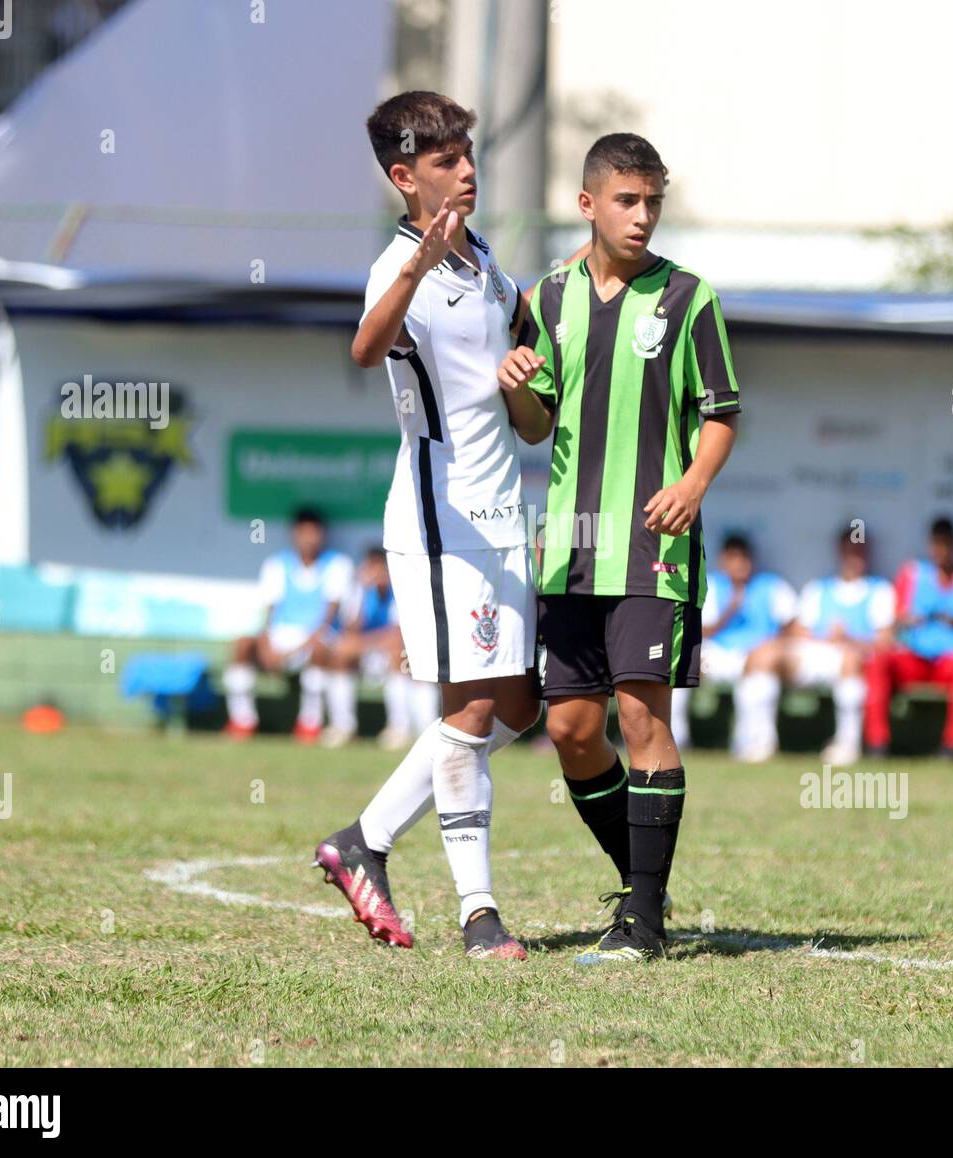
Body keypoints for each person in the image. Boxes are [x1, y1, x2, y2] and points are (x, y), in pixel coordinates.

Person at [313, 92, 586, 960]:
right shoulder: (401, 263)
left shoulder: (486, 262)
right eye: (445, 159)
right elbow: (363, 350)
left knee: (517, 703)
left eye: (468, 152)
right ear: (405, 176)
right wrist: (412, 269)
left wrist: (524, 375)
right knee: (470, 705)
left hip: (502, 515)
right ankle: (480, 916)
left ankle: (364, 839)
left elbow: (527, 412)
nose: (467, 169)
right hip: (442, 518)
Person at [501, 132, 740, 964]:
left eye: (653, 203)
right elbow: (535, 425)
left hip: (650, 545)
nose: (642, 218)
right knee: (569, 728)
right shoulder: (547, 296)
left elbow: (722, 413)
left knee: (640, 716)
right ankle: (646, 883)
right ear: (588, 203)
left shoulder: (688, 299)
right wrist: (516, 386)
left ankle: (639, 923)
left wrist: (694, 485)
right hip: (567, 547)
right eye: (627, 201)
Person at [863, 516, 953, 758]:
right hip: (915, 658)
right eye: (937, 543)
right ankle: (878, 744)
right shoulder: (913, 574)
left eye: (946, 543)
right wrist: (907, 620)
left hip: (952, 661)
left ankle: (952, 748)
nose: (941, 550)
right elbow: (891, 622)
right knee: (877, 660)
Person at [223, 508, 354, 744]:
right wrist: (267, 646)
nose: (309, 538)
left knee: (320, 651)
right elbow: (269, 616)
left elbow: (326, 621)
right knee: (242, 645)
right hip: (282, 637)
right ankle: (242, 720)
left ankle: (309, 723)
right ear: (294, 534)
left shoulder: (337, 565)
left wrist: (292, 651)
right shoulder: (276, 564)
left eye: (314, 532)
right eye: (303, 532)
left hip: (316, 639)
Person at [669, 534, 797, 761]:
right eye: (733, 558)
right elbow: (700, 630)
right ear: (724, 560)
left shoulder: (771, 585)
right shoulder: (710, 585)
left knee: (761, 670)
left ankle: (756, 744)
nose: (739, 564)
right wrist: (730, 611)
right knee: (682, 662)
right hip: (718, 656)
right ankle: (674, 739)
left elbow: (793, 626)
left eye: (744, 558)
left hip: (758, 657)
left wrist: (772, 645)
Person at [778, 526, 894, 767]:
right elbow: (799, 628)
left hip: (856, 659)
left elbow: (885, 641)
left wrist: (849, 639)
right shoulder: (819, 588)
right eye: (850, 550)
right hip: (817, 655)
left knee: (850, 660)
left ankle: (847, 743)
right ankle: (756, 741)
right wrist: (827, 637)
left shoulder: (880, 590)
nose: (855, 556)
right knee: (766, 657)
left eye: (860, 550)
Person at [325, 547, 438, 750]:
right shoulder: (357, 590)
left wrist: (363, 644)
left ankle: (399, 728)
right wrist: (362, 591)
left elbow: (398, 637)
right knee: (341, 655)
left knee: (398, 655)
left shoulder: (402, 590)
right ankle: (343, 727)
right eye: (372, 568)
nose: (377, 575)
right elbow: (350, 631)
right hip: (369, 652)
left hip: (400, 656)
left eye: (381, 569)